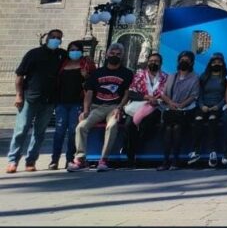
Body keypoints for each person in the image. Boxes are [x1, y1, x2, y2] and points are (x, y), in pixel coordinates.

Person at [6, 29, 66, 173]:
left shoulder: (62, 55)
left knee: (39, 132)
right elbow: (20, 75)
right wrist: (19, 95)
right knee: (21, 129)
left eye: (59, 38)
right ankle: (13, 160)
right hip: (30, 97)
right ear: (47, 38)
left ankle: (31, 161)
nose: (56, 40)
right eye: (53, 37)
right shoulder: (34, 54)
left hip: (49, 100)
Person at [68, 43, 134, 172]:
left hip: (114, 107)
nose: (115, 56)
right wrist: (86, 110)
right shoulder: (97, 73)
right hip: (97, 107)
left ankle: (103, 160)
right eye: (112, 53)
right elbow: (89, 93)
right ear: (107, 54)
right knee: (81, 126)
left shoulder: (127, 73)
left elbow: (127, 93)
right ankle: (80, 159)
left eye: (118, 54)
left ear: (122, 56)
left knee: (112, 126)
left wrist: (120, 108)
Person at [49, 40, 94, 170]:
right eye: (71, 49)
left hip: (77, 102)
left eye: (76, 49)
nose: (74, 52)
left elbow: (93, 82)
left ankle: (70, 159)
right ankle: (54, 160)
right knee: (59, 132)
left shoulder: (86, 64)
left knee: (73, 132)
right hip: (61, 102)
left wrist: (86, 76)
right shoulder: (63, 64)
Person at [124, 52, 168, 168]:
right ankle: (130, 156)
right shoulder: (139, 75)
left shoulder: (165, 77)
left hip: (157, 107)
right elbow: (132, 93)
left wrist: (156, 100)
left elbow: (167, 94)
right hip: (139, 105)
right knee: (129, 124)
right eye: (151, 61)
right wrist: (147, 97)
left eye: (156, 61)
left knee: (147, 123)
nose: (154, 63)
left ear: (161, 63)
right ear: (148, 62)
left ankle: (132, 147)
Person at [158, 51, 200, 170]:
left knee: (177, 128)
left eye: (187, 60)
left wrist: (181, 105)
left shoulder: (195, 78)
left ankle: (175, 160)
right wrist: (171, 103)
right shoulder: (172, 76)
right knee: (168, 128)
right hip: (170, 108)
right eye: (182, 60)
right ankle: (165, 160)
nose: (184, 62)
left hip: (186, 110)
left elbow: (194, 95)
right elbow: (163, 94)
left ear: (191, 63)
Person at [188, 52, 227, 168]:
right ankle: (195, 151)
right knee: (198, 120)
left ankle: (213, 152)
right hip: (203, 106)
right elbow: (199, 93)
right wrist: (201, 105)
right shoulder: (204, 77)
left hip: (217, 107)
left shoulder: (226, 77)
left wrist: (218, 106)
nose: (216, 64)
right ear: (210, 63)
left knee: (212, 120)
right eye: (214, 62)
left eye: (219, 62)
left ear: (223, 63)